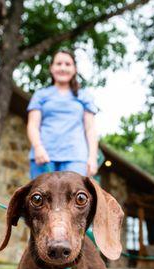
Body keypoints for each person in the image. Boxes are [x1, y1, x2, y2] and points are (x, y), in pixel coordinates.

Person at [27, 50, 99, 179]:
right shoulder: (41, 95)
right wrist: (38, 147)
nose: (63, 67)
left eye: (67, 64)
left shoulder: (84, 96)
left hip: (76, 157)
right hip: (43, 156)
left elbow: (90, 129)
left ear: (74, 69)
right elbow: (32, 125)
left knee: (73, 196)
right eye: (58, 63)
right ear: (51, 68)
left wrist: (92, 158)